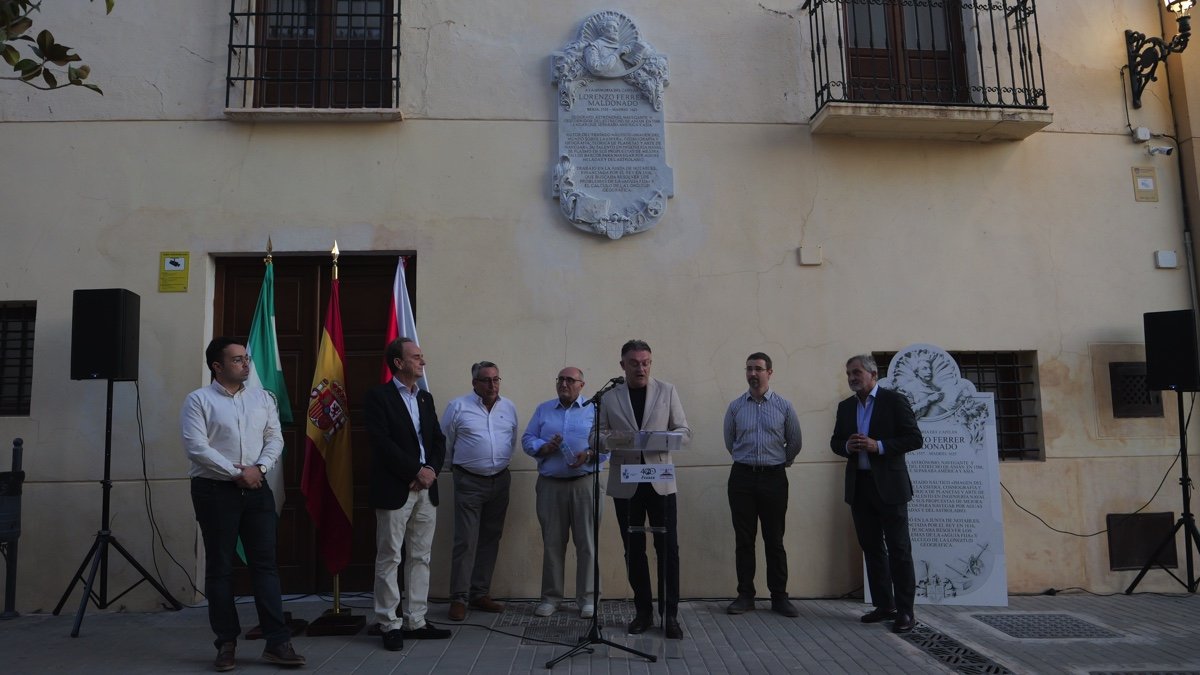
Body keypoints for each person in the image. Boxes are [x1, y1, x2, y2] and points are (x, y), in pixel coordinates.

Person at [180, 337, 305, 672]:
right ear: (217, 366)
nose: (246, 364)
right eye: (237, 360)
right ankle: (226, 643)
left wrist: (259, 469)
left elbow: (274, 437)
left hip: (257, 489)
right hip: (215, 491)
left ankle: (277, 642)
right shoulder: (199, 400)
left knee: (265, 565)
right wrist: (237, 473)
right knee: (220, 568)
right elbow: (196, 447)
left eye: (246, 358)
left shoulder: (262, 398)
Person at [595, 339, 691, 640]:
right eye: (634, 363)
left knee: (668, 549)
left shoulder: (667, 390)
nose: (641, 367)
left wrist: (660, 438)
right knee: (633, 549)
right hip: (626, 482)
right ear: (622, 365)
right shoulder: (609, 397)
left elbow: (684, 433)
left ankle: (670, 615)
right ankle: (643, 612)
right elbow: (594, 438)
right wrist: (615, 439)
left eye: (646, 362)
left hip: (660, 480)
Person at [365, 337, 451, 651]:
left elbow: (438, 441)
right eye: (416, 357)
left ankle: (416, 620)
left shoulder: (425, 399)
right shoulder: (378, 397)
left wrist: (429, 471)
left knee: (421, 557)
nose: (422, 361)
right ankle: (389, 622)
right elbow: (381, 442)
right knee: (390, 557)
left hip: (426, 490)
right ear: (398, 363)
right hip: (395, 487)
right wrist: (415, 471)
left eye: (421, 356)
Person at [830, 354, 924, 634]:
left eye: (857, 372)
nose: (852, 378)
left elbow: (914, 438)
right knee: (872, 549)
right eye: (848, 373)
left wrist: (878, 446)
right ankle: (885, 605)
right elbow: (835, 442)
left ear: (873, 374)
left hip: (890, 487)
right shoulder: (846, 407)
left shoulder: (894, 401)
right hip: (860, 487)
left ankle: (906, 612)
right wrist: (847, 446)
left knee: (899, 550)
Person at [521, 367, 606, 619]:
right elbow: (527, 439)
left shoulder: (594, 410)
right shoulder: (543, 409)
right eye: (561, 379)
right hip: (551, 485)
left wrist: (589, 455)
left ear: (582, 385)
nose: (564, 383)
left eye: (570, 380)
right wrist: (544, 447)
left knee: (587, 544)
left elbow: (608, 446)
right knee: (552, 544)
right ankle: (551, 598)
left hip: (585, 483)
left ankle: (588, 599)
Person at [723, 352, 802, 618]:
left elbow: (794, 442)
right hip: (742, 478)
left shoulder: (784, 406)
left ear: (770, 372)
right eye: (749, 369)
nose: (753, 374)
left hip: (774, 478)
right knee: (744, 539)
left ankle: (779, 596)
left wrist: (781, 463)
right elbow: (729, 441)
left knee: (774, 539)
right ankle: (745, 595)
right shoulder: (735, 407)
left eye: (758, 369)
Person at [442, 361, 520, 621]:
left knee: (490, 538)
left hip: (500, 481)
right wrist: (457, 471)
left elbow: (512, 439)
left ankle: (479, 593)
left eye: (496, 379)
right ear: (474, 382)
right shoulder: (458, 406)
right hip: (469, 481)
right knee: (466, 540)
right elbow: (446, 443)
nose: (492, 385)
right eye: (486, 380)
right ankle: (459, 598)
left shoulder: (508, 407)